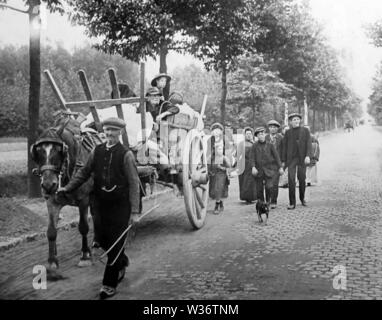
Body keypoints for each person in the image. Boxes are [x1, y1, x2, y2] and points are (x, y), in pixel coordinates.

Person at [57, 117, 140, 299]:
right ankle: (122, 262)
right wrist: (68, 187)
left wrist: (134, 212)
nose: (110, 134)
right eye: (108, 130)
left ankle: (108, 285)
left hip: (120, 206)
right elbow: (84, 172)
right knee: (102, 240)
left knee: (115, 245)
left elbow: (134, 183)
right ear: (104, 131)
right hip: (101, 205)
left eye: (114, 131)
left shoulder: (126, 155)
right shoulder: (97, 150)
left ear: (121, 133)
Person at [281, 113, 312, 210]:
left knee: (302, 178)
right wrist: (283, 160)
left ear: (300, 120)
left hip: (302, 158)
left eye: (297, 119)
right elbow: (284, 147)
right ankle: (292, 203)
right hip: (292, 159)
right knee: (291, 179)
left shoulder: (305, 131)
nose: (296, 121)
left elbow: (309, 144)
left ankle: (302, 199)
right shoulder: (288, 133)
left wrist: (308, 156)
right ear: (290, 122)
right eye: (294, 120)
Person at [250, 127, 284, 205]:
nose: (261, 136)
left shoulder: (270, 145)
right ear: (257, 136)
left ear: (265, 134)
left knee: (269, 187)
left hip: (269, 170)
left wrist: (280, 167)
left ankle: (268, 201)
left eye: (262, 134)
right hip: (259, 170)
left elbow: (277, 157)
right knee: (259, 189)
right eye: (259, 135)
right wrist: (253, 167)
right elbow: (252, 158)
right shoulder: (254, 146)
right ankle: (262, 202)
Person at [208, 123, 231, 214]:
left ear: (221, 131)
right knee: (214, 186)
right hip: (213, 165)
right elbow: (207, 153)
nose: (216, 131)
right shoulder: (210, 140)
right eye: (214, 129)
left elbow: (228, 154)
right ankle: (220, 201)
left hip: (222, 164)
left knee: (219, 185)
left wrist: (227, 168)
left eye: (218, 129)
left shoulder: (225, 139)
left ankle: (217, 204)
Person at [265, 120, 283, 208]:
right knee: (267, 184)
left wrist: (282, 164)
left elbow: (284, 152)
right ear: (268, 128)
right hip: (267, 165)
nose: (273, 129)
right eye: (271, 127)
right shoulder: (265, 138)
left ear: (277, 129)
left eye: (275, 127)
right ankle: (267, 200)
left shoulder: (281, 138)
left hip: (277, 164)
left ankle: (274, 201)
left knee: (275, 184)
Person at [238, 127, 257, 204]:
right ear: (244, 135)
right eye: (247, 134)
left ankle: (253, 197)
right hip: (244, 164)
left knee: (252, 181)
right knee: (245, 181)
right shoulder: (241, 144)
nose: (248, 135)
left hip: (253, 164)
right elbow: (238, 154)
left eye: (250, 134)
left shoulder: (255, 143)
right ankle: (246, 198)